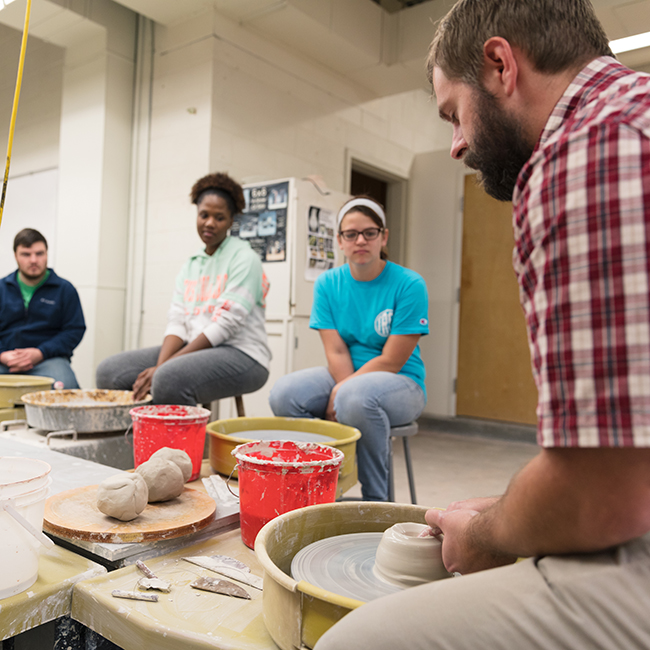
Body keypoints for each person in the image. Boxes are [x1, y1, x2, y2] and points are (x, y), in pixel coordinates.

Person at [316, 1, 650, 648]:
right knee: (299, 392)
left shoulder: (589, 148)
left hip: (396, 384)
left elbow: (607, 490)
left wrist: (494, 531)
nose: (457, 143)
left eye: (453, 113)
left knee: (353, 642)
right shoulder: (633, 112)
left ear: (500, 65)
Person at [269, 196, 429, 502]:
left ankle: (375, 503)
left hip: (401, 383)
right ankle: (320, 485)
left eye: (370, 233)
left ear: (383, 237)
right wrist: (341, 388)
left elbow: (392, 360)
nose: (361, 241)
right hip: (344, 375)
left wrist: (342, 390)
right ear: (340, 241)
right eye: (351, 234)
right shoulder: (328, 283)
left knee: (355, 398)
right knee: (284, 393)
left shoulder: (409, 284)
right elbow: (337, 352)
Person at [96, 172, 271, 405]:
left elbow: (225, 326)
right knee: (110, 371)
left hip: (243, 353)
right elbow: (177, 321)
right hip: (196, 348)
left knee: (170, 378)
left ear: (231, 221)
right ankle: (139, 438)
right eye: (204, 215)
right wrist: (160, 366)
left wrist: (162, 369)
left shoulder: (244, 258)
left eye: (219, 218)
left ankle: (176, 442)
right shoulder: (192, 264)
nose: (209, 223)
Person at [0, 228, 85, 388]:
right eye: (26, 254)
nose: (33, 260)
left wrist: (40, 353)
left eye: (39, 253)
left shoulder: (64, 289)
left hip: (48, 359)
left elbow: (74, 330)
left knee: (67, 391)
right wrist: (3, 354)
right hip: (5, 359)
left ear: (46, 254)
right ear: (15, 256)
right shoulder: (1, 288)